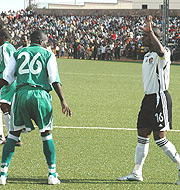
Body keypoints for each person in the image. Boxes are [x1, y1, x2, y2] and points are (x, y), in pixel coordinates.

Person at [0, 30, 72, 185]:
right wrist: (63, 100)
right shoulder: (48, 54)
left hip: (21, 95)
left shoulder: (18, 53)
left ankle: (2, 174)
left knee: (13, 134)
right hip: (40, 95)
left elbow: (6, 77)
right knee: (46, 134)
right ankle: (52, 175)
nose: (47, 43)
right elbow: (53, 79)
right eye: (46, 41)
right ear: (40, 41)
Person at [116, 15, 180, 184]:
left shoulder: (164, 53)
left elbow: (161, 51)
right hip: (148, 100)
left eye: (145, 36)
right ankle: (137, 172)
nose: (142, 38)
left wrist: (150, 31)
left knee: (160, 138)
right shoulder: (147, 55)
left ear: (154, 37)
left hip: (160, 99)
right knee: (142, 135)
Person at [0, 29, 18, 145]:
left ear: (2, 37)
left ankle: (3, 136)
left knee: (3, 105)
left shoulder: (3, 48)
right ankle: (14, 136)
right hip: (15, 80)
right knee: (7, 107)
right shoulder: (13, 48)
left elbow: (7, 65)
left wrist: (5, 80)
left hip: (6, 80)